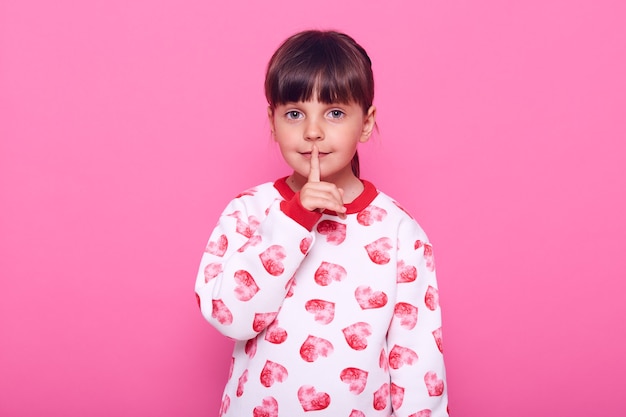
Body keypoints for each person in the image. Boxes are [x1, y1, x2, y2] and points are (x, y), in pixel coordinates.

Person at [195, 29, 449, 417]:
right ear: (273, 121)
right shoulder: (249, 211)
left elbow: (416, 361)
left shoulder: (399, 232)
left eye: (334, 113)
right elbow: (232, 316)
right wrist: (294, 220)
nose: (313, 131)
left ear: (365, 123)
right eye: (295, 114)